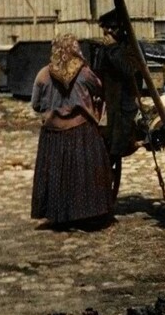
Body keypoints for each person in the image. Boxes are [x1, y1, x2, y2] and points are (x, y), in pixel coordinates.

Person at [30, 34, 114, 229]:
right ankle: (86, 213)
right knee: (85, 172)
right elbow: (100, 90)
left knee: (57, 174)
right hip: (81, 129)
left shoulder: (43, 74)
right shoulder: (84, 73)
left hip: (53, 132)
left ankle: (59, 215)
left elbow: (35, 104)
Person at [95, 9, 143, 158]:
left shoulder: (132, 46)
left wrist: (113, 49)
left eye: (112, 28)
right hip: (108, 99)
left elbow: (129, 70)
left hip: (125, 101)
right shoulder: (104, 47)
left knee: (119, 141)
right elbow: (99, 70)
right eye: (106, 28)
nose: (108, 32)